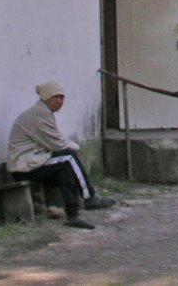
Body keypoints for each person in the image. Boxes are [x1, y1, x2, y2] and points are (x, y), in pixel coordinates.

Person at [7, 82, 115, 230]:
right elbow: (57, 144)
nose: (60, 101)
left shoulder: (42, 112)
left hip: (32, 163)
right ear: (46, 98)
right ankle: (89, 197)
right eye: (56, 97)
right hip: (23, 168)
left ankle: (73, 215)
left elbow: (55, 141)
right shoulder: (39, 114)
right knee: (69, 157)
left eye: (62, 98)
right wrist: (76, 148)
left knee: (66, 169)